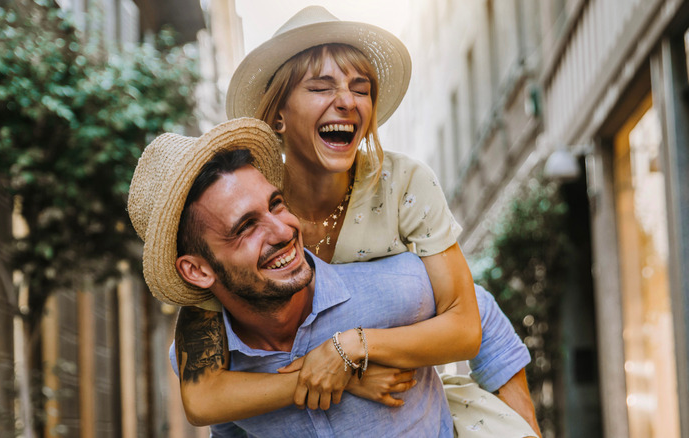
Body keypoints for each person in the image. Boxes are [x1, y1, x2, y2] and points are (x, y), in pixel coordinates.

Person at [127, 117, 538, 436]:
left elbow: (477, 312)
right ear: (196, 270)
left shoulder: (392, 288)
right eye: (246, 227)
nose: (283, 231)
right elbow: (229, 427)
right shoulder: (208, 363)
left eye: (276, 204)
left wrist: (520, 427)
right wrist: (334, 377)